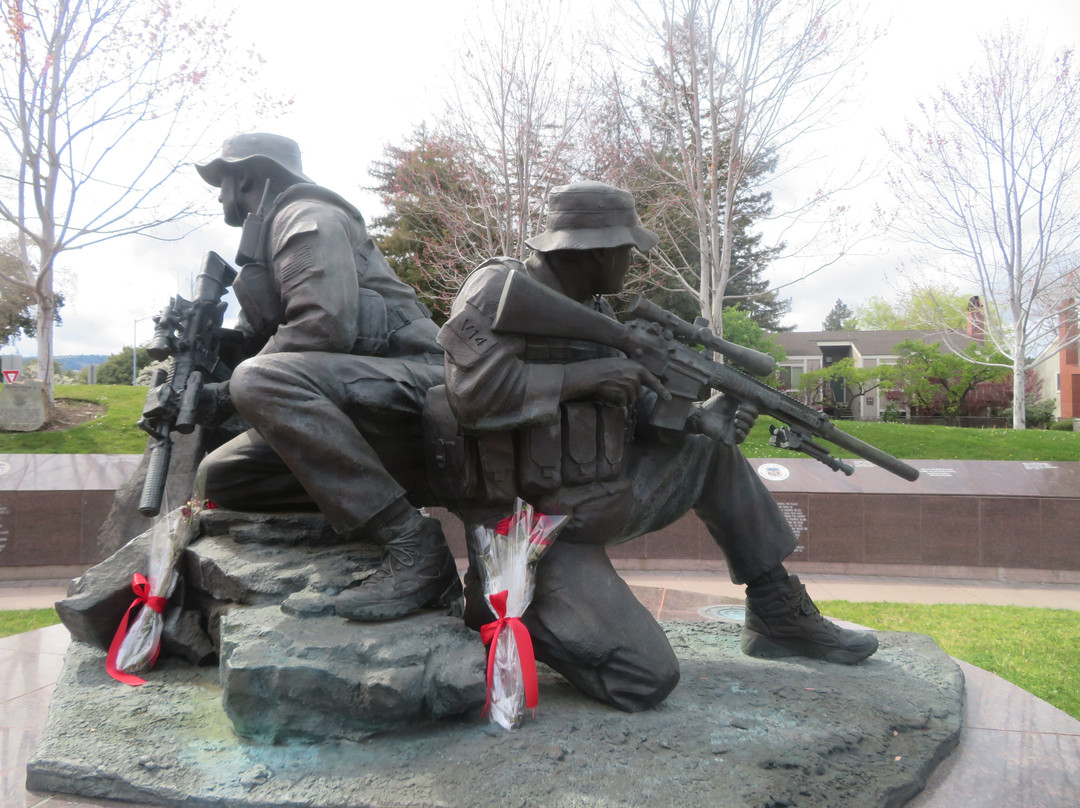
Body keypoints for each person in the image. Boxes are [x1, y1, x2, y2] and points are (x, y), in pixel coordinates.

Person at [438, 181, 878, 713]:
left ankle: (776, 610)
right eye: (627, 249)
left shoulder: (593, 306)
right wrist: (591, 375)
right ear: (596, 250)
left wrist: (697, 422)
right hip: (529, 536)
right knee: (644, 678)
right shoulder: (495, 291)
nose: (633, 259)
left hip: (603, 499)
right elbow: (472, 396)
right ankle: (502, 609)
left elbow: (627, 411)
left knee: (710, 452)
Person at [191, 133, 462, 621]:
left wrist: (230, 393)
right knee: (223, 475)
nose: (218, 192)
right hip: (361, 390)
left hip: (421, 384)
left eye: (222, 179)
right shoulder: (275, 231)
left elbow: (323, 324)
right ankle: (362, 511)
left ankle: (412, 544)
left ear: (247, 176)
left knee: (257, 381)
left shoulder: (306, 217)